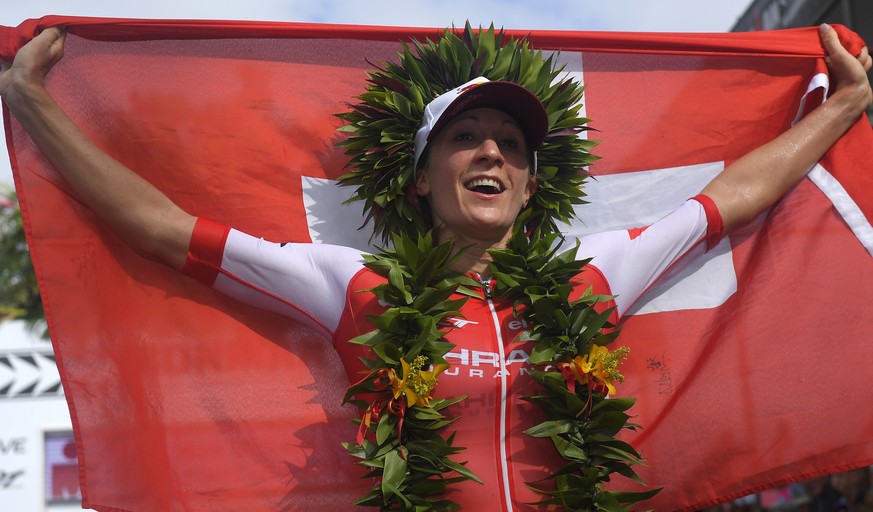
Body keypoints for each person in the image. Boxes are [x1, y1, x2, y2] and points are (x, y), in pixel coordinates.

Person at [1, 24, 871, 511]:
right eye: (465, 139)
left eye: (511, 146)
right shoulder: (353, 285)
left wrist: (844, 108)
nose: (491, 152)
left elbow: (737, 196)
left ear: (530, 185)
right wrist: (31, 102)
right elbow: (159, 227)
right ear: (421, 179)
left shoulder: (597, 272)